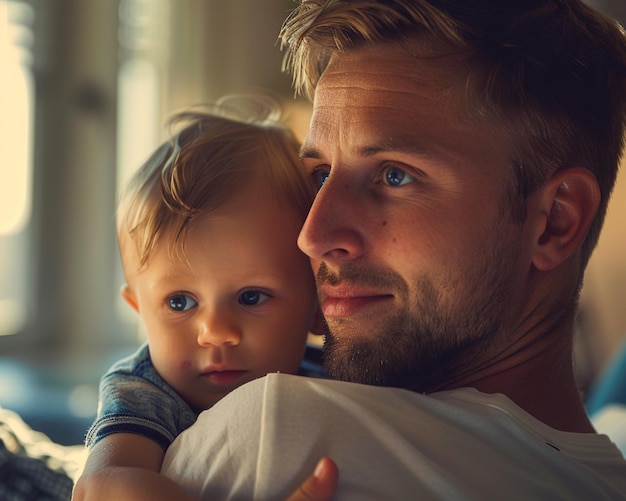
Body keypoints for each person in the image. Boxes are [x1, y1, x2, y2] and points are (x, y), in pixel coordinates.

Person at [160, 0, 626, 499]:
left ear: (556, 221)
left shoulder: (283, 434)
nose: (312, 236)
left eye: (394, 175)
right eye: (320, 175)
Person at [72, 96, 322, 500]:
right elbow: (101, 486)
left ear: (318, 307)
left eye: (251, 296)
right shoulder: (146, 394)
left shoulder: (332, 374)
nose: (216, 333)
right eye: (180, 303)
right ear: (140, 309)